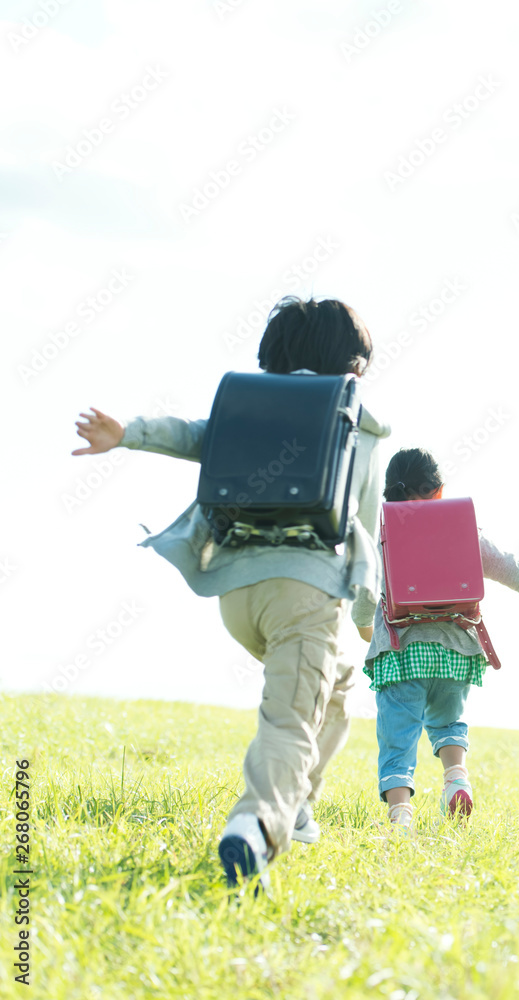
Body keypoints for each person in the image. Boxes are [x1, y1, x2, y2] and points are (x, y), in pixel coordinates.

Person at [71, 296, 390, 892]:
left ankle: (296, 803)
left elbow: (197, 437)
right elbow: (366, 528)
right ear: (352, 365)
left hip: (236, 591)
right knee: (289, 720)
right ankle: (256, 825)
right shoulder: (358, 422)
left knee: (339, 684)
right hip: (307, 590)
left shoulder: (252, 402)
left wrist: (128, 433)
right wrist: (367, 611)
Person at [355, 447, 519, 830]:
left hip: (401, 653)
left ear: (389, 493)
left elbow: (363, 592)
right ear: (439, 490)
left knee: (397, 739)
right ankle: (456, 779)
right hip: (456, 652)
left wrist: (364, 629)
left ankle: (400, 817)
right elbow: (504, 565)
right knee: (449, 723)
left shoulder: (381, 533)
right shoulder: (459, 527)